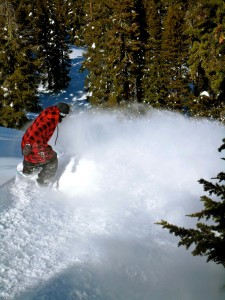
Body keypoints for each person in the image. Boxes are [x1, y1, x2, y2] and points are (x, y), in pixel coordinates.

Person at [21, 102, 70, 186]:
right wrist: (29, 144)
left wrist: (27, 144)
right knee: (52, 160)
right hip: (34, 145)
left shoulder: (49, 112)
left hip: (25, 141)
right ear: (61, 114)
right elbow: (36, 131)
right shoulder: (50, 121)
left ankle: (27, 172)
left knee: (31, 158)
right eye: (64, 115)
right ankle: (42, 182)